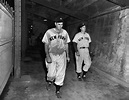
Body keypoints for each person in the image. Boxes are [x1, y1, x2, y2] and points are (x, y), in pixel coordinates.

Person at [42, 18, 70, 98]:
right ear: (55, 23)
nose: (60, 26)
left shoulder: (65, 32)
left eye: (61, 24)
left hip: (62, 54)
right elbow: (46, 44)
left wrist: (68, 55)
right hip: (52, 54)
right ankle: (50, 81)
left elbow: (66, 44)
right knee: (51, 73)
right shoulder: (49, 32)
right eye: (59, 24)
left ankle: (58, 90)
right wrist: (47, 56)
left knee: (61, 73)